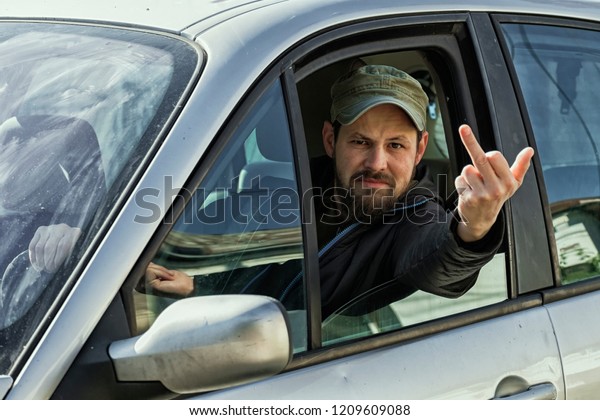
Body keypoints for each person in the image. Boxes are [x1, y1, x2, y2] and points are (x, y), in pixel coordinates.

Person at [146, 64, 534, 318]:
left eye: (395, 145)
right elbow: (276, 277)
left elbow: (438, 264)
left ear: (419, 151)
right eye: (361, 142)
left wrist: (472, 227)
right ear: (331, 140)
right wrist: (199, 285)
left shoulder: (417, 216)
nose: (377, 162)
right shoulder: (285, 193)